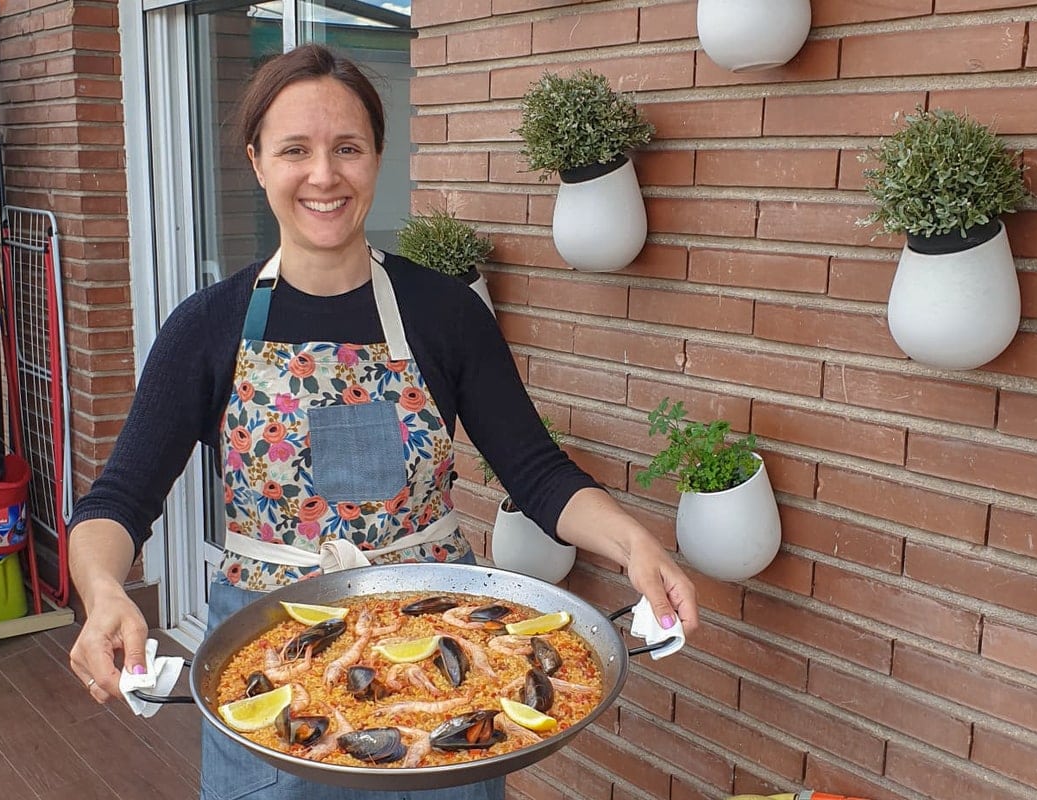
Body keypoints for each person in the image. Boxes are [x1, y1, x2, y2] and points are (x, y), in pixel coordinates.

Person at [67, 43, 698, 800]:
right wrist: (103, 590)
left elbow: (536, 472)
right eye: (295, 150)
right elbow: (119, 501)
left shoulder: (445, 313)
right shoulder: (206, 326)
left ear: (377, 159)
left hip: (446, 652)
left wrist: (635, 545)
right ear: (258, 162)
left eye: (347, 149)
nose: (323, 175)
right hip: (266, 659)